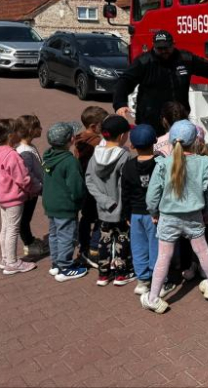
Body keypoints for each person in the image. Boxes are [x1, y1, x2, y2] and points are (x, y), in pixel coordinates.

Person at [141, 120, 208, 314]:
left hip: (168, 217)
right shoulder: (203, 163)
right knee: (202, 250)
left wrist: (153, 212)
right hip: (194, 215)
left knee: (164, 257)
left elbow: (153, 194)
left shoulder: (162, 164)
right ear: (196, 140)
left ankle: (153, 298)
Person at [113, 29, 208, 135]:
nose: (163, 51)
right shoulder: (143, 62)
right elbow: (124, 81)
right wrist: (120, 104)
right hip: (151, 121)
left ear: (173, 44)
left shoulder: (185, 59)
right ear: (153, 46)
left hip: (179, 119)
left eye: (166, 48)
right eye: (159, 48)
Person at [86, 115, 135, 287]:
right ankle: (121, 274)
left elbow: (89, 181)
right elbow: (127, 186)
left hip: (103, 209)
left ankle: (103, 274)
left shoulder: (94, 156)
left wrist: (104, 201)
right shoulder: (125, 157)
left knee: (104, 240)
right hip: (121, 210)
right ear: (122, 136)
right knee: (122, 239)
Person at [0, 118, 36, 275]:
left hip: (2, 197)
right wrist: (35, 187)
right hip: (13, 198)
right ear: (10, 135)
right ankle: (12, 263)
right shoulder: (11, 155)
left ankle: (5, 258)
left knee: (6, 228)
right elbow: (23, 178)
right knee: (12, 229)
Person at [42, 122, 88, 282]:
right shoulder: (70, 161)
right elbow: (76, 187)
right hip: (65, 206)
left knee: (54, 235)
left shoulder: (48, 156)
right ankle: (66, 267)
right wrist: (80, 200)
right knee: (67, 236)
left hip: (51, 203)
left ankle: (56, 264)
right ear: (71, 139)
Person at [121, 124, 160, 296]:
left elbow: (125, 192)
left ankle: (142, 280)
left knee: (138, 247)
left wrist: (126, 214)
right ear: (155, 141)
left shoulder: (128, 166)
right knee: (156, 246)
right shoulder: (159, 164)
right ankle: (159, 277)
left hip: (135, 213)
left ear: (133, 146)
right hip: (155, 214)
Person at [74, 105, 108, 268]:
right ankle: (94, 249)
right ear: (94, 126)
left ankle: (83, 246)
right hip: (95, 185)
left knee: (86, 217)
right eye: (103, 124)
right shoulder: (97, 142)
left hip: (83, 184)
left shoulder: (78, 139)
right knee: (99, 217)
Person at [15, 114, 46, 258]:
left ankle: (30, 240)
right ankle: (29, 244)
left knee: (26, 218)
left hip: (32, 191)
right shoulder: (25, 152)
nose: (41, 129)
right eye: (38, 126)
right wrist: (39, 187)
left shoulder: (29, 146)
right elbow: (27, 175)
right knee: (24, 219)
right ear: (31, 130)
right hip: (29, 192)